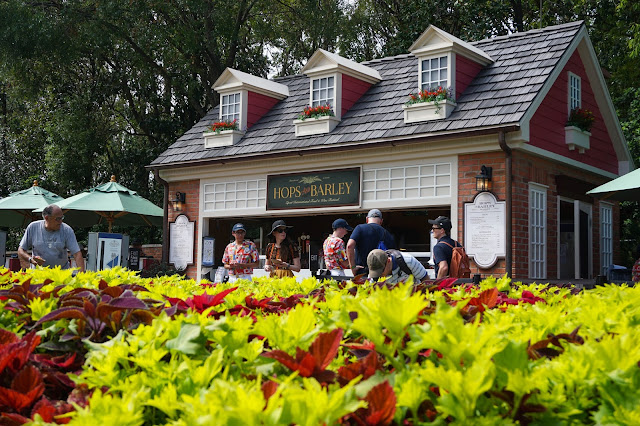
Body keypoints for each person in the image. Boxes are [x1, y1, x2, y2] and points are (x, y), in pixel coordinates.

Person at [18, 204, 85, 272]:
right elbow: (21, 250)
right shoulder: (33, 227)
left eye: (62, 218)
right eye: (58, 219)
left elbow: (77, 254)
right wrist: (30, 259)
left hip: (61, 274)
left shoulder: (66, 230)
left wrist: (82, 275)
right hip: (38, 274)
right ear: (47, 218)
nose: (61, 221)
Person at [347, 208, 395, 275]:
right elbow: (391, 257)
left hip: (361, 272)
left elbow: (349, 246)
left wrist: (353, 267)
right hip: (380, 273)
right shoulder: (388, 234)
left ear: (367, 219)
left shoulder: (360, 228)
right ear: (381, 221)